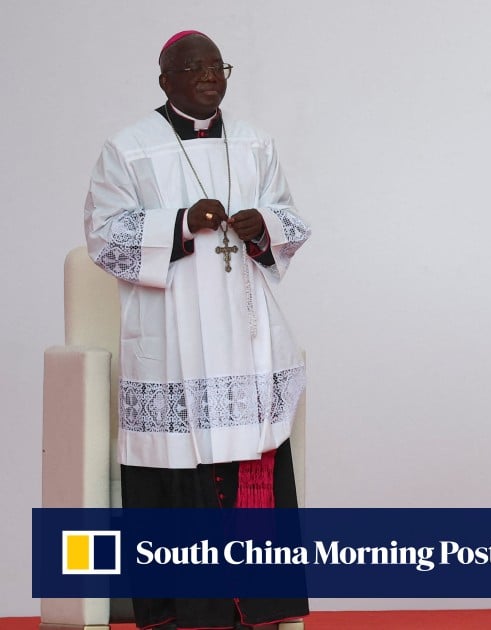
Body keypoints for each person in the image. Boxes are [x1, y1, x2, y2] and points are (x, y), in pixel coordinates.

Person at [84, 30, 310, 630]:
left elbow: (290, 215)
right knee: (175, 468)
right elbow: (104, 238)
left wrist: (262, 224)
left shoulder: (256, 142)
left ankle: (258, 605)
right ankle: (181, 612)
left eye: (217, 67)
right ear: (165, 80)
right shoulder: (129, 148)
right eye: (194, 67)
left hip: (245, 330)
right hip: (172, 337)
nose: (210, 76)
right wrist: (180, 223)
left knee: (252, 454)